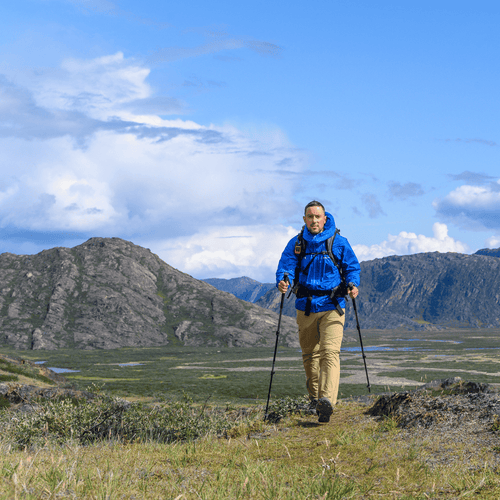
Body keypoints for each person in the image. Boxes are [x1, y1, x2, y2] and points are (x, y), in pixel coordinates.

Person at [276, 201, 360, 423]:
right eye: (310, 217)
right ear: (304, 219)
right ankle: (315, 400)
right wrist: (283, 281)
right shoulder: (296, 244)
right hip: (305, 306)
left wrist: (352, 283)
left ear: (325, 218)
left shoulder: (338, 242)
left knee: (330, 353)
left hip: (333, 305)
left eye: (317, 217)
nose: (314, 220)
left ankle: (327, 401)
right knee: (310, 356)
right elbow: (286, 266)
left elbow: (351, 266)